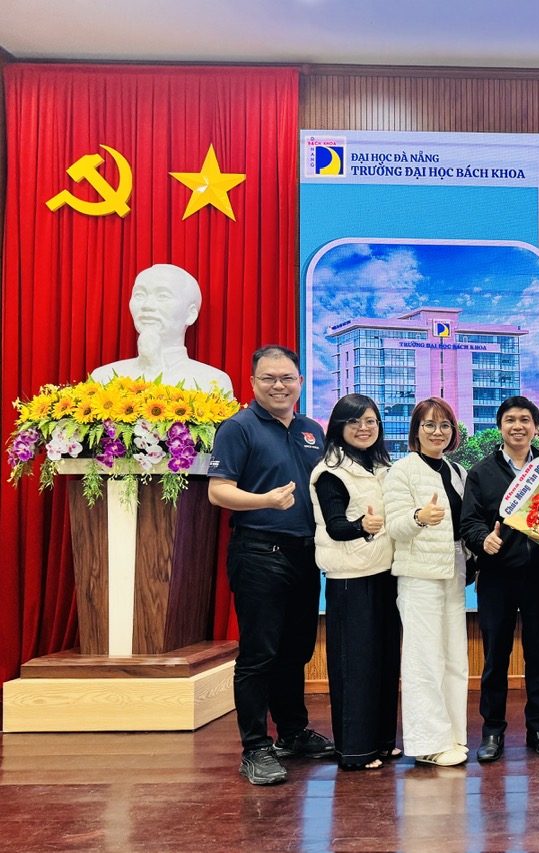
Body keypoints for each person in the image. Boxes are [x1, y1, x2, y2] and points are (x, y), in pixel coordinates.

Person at [208, 345, 333, 785]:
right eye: (269, 378)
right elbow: (218, 491)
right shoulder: (238, 427)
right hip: (259, 553)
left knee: (296, 651)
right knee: (259, 655)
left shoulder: (311, 430)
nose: (279, 386)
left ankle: (292, 733)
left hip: (305, 555)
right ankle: (255, 747)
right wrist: (264, 500)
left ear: (300, 382)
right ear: (253, 382)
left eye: (287, 378)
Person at [459, 395, 539, 763]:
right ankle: (492, 730)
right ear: (500, 427)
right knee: (496, 656)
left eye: (525, 419)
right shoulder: (481, 472)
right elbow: (469, 521)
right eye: (510, 419)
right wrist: (482, 539)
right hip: (497, 578)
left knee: (538, 654)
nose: (518, 426)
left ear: (535, 427)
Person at [308, 394, 399, 771]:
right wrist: (363, 525)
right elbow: (335, 526)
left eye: (371, 421)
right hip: (350, 580)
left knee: (385, 663)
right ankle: (355, 751)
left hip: (384, 575)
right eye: (355, 422)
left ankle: (382, 742)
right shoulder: (330, 471)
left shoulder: (382, 465)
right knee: (355, 667)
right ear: (339, 427)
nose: (364, 428)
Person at [384, 397, 471, 768]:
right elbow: (394, 526)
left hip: (454, 570)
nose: (438, 432)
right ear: (416, 431)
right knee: (424, 661)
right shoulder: (401, 471)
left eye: (445, 425)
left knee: (455, 659)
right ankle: (428, 744)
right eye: (429, 425)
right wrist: (419, 517)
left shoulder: (457, 471)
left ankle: (453, 734)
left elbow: (465, 524)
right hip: (419, 574)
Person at [91, 263, 234, 391]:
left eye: (163, 296)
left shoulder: (212, 382)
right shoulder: (103, 378)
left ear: (191, 314)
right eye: (140, 295)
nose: (147, 305)